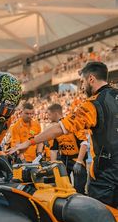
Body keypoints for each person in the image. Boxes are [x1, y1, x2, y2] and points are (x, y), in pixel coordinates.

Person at [8, 61, 118, 208]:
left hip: (107, 180)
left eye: (82, 82)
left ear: (91, 79)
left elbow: (60, 128)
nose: (82, 86)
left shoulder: (93, 104)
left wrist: (29, 142)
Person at [47, 103, 88, 194]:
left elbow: (84, 143)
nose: (48, 117)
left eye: (49, 114)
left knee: (79, 189)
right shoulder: (56, 128)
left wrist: (79, 161)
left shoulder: (72, 123)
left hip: (77, 159)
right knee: (65, 188)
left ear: (56, 114)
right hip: (64, 159)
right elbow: (54, 149)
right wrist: (53, 164)